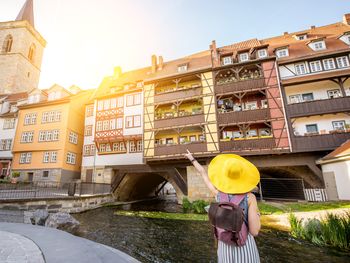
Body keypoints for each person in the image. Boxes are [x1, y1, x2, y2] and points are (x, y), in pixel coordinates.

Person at [184, 150, 261, 263]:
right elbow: (254, 231)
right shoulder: (250, 198)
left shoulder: (219, 195)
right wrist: (258, 215)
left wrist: (192, 158)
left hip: (224, 245)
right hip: (244, 244)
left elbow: (203, 173)